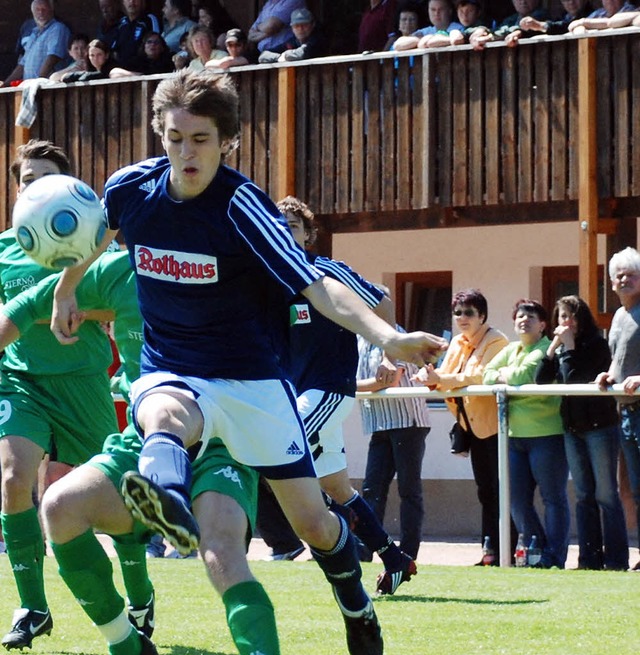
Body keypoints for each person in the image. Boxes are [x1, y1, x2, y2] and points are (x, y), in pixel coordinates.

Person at [50, 70, 447, 654]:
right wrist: (67, 287)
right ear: (160, 133)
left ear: (227, 140)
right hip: (173, 368)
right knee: (161, 410)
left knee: (314, 522)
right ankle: (167, 502)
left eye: (201, 139)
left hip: (253, 383)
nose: (186, 153)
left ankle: (355, 601)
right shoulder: (130, 189)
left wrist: (385, 336)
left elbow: (318, 287)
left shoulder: (242, 207)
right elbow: (92, 239)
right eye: (175, 137)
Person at [6, 249, 279, 654]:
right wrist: (67, 297)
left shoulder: (228, 263)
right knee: (59, 506)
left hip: (220, 437)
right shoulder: (117, 271)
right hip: (142, 437)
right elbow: (25, 306)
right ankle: (126, 643)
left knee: (222, 549)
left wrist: (387, 337)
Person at [0, 140, 122, 650]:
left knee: (106, 498)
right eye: (27, 178)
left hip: (82, 380)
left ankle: (137, 593)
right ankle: (32, 606)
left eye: (44, 176)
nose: (33, 185)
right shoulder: (5, 246)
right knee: (12, 478)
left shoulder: (95, 242)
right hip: (19, 379)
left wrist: (77, 306)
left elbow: (123, 305)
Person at [279, 196, 420, 595]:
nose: (283, 230)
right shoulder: (272, 279)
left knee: (275, 448)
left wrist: (386, 351)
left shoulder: (329, 271)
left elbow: (382, 300)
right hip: (301, 395)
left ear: (308, 235)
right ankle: (395, 558)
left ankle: (296, 545)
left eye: (292, 225)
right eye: (276, 224)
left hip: (327, 392)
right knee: (338, 488)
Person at [413, 289, 516, 563]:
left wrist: (441, 379)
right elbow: (445, 376)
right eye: (457, 312)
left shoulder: (497, 340)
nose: (462, 318)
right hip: (471, 425)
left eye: (468, 312)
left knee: (500, 490)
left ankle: (509, 550)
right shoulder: (457, 342)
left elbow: (481, 376)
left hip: (496, 426)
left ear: (482, 315)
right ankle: (489, 552)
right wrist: (429, 376)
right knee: (485, 490)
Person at [536, 295, 628, 571]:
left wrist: (570, 347)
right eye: (563, 316)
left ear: (583, 318)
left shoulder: (596, 345)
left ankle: (615, 559)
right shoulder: (563, 348)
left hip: (600, 427)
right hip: (572, 428)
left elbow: (575, 380)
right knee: (583, 495)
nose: (567, 322)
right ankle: (589, 559)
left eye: (572, 316)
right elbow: (541, 379)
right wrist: (552, 348)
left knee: (606, 494)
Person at [483, 299, 570, 569]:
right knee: (516, 501)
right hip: (513, 436)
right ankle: (538, 550)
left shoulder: (546, 349)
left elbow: (527, 375)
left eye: (530, 316)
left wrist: (507, 376)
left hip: (547, 435)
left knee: (552, 498)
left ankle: (554, 557)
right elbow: (486, 374)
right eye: (519, 316)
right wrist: (507, 376)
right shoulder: (511, 349)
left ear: (543, 324)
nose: (524, 320)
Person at [356, 323, 431, 562]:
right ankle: (365, 549)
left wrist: (342, 386)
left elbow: (388, 380)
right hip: (379, 422)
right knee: (371, 489)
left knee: (408, 490)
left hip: (407, 421)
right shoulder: (360, 338)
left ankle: (408, 552)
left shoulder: (396, 337)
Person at [596, 246, 640, 571]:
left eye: (630, 274)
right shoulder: (619, 317)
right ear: (611, 283)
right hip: (625, 412)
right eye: (618, 276)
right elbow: (618, 358)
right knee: (634, 488)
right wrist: (609, 375)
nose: (624, 280)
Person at [1, 0, 70, 87]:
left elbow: (53, 57)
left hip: (47, 88)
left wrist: (39, 81)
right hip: (31, 88)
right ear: (33, 12)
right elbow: (23, 64)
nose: (41, 12)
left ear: (51, 11)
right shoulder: (34, 33)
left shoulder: (57, 28)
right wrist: (5, 84)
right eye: (37, 10)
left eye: (44, 9)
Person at [469, 0, 547, 49]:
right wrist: (483, 30)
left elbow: (521, 29)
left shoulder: (541, 15)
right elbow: (499, 30)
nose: (523, 1)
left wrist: (489, 37)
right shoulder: (511, 19)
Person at [258, 8, 325, 63]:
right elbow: (263, 55)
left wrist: (285, 56)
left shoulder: (318, 39)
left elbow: (303, 53)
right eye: (296, 26)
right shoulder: (292, 41)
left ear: (312, 25)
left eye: (304, 25)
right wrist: (278, 57)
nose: (300, 29)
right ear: (292, 28)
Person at [393, 0, 463, 50]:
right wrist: (422, 39)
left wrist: (428, 40)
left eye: (441, 9)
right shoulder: (426, 31)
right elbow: (397, 45)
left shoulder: (458, 28)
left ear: (449, 11)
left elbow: (457, 40)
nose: (436, 13)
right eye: (433, 10)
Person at [111, 0, 161, 69]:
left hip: (144, 70)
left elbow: (157, 43)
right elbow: (115, 51)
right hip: (123, 72)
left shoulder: (149, 19)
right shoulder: (121, 23)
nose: (132, 2)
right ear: (123, 2)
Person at [110, 32, 175, 77]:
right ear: (144, 46)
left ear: (162, 47)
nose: (153, 45)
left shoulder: (169, 60)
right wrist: (141, 76)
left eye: (156, 42)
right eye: (149, 42)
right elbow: (114, 73)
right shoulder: (136, 61)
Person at [518, 0, 593, 35]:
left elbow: (565, 26)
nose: (571, 2)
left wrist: (541, 25)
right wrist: (520, 33)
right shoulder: (563, 17)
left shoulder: (593, 15)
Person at [568, 0, 638, 32]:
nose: (609, 1)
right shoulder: (598, 13)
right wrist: (581, 28)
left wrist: (585, 23)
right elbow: (574, 26)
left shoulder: (631, 10)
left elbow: (612, 22)